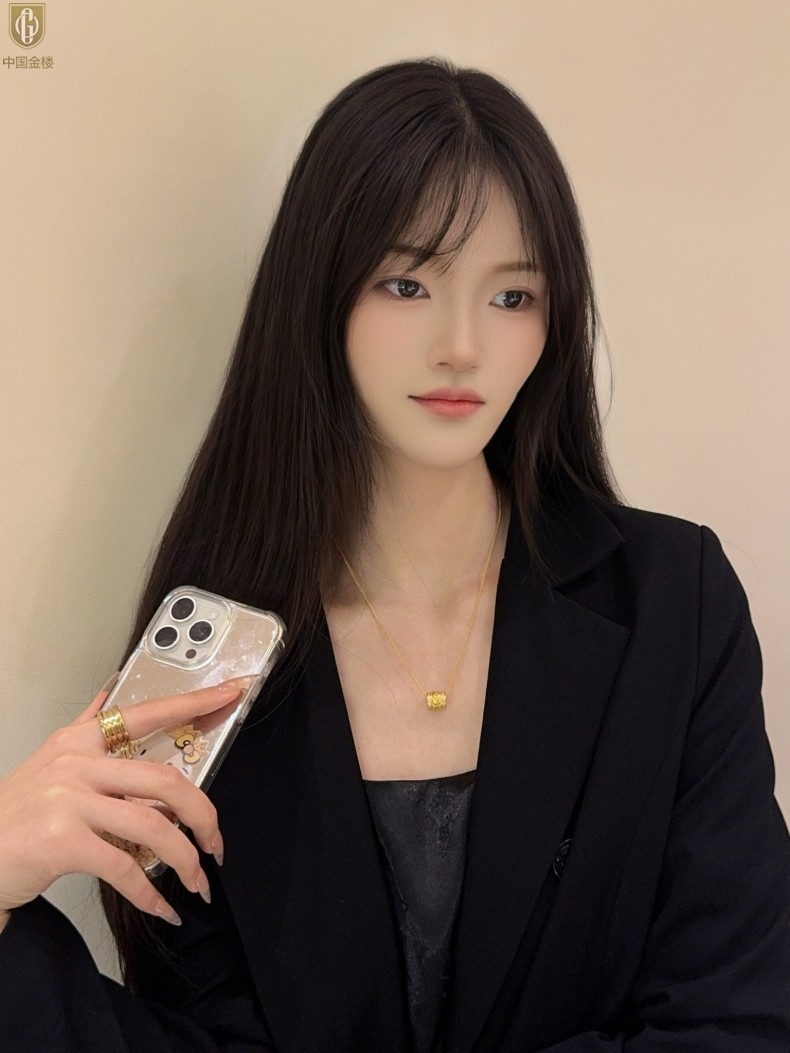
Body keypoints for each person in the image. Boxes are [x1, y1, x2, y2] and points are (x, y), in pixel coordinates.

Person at [0, 55, 788, 1053]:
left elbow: (738, 1014)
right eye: (408, 283)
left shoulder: (672, 605)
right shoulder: (208, 671)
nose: (462, 344)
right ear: (320, 296)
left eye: (513, 296)